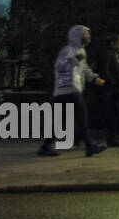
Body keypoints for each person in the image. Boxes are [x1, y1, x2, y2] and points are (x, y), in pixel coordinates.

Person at [38, 24, 106, 157]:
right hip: (68, 88)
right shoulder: (68, 50)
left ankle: (45, 146)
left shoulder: (81, 51)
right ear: (78, 36)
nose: (88, 37)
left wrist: (94, 78)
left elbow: (84, 68)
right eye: (86, 34)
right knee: (82, 115)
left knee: (65, 120)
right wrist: (75, 60)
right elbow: (59, 66)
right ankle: (89, 145)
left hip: (69, 90)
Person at [96, 33, 119, 146]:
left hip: (116, 88)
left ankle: (112, 137)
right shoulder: (107, 54)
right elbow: (103, 70)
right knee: (110, 113)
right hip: (110, 89)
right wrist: (112, 82)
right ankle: (111, 138)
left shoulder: (117, 56)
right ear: (112, 43)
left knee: (114, 113)